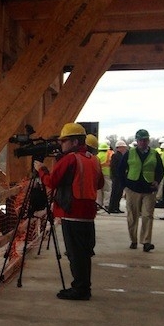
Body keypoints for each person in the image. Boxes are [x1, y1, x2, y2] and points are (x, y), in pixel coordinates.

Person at [34, 122, 104, 301]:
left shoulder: (70, 159)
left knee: (75, 254)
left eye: (64, 141)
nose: (61, 144)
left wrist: (41, 170)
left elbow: (51, 182)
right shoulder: (93, 159)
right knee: (84, 253)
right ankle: (83, 286)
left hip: (72, 212)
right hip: (88, 213)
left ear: (74, 142)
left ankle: (80, 289)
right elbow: (100, 183)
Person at [115, 128, 164, 252]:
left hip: (149, 189)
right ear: (137, 141)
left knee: (148, 215)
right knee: (132, 216)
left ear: (148, 141)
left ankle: (146, 242)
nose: (143, 142)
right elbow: (120, 170)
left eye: (145, 140)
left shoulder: (154, 154)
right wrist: (125, 185)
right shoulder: (129, 153)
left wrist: (157, 181)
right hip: (133, 189)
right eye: (141, 140)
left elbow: (160, 170)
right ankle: (133, 240)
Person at [107, 140, 128, 214]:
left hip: (119, 177)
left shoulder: (121, 156)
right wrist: (116, 176)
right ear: (119, 147)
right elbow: (113, 167)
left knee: (119, 193)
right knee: (115, 193)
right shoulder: (115, 155)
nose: (124, 149)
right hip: (116, 177)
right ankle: (112, 208)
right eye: (123, 147)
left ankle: (116, 207)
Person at [97, 140, 113, 212]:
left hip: (99, 174)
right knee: (107, 190)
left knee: (99, 190)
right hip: (107, 174)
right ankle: (106, 204)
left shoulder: (97, 156)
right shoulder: (110, 154)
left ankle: (99, 204)